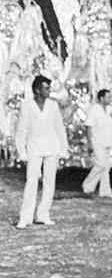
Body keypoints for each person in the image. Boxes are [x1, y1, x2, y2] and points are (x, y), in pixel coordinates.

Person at [14, 75, 68, 228]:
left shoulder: (53, 105)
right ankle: (25, 217)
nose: (49, 91)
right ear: (37, 90)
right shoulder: (27, 106)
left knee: (49, 182)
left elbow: (59, 128)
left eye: (49, 88)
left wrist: (64, 148)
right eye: (46, 88)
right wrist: (21, 151)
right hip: (34, 147)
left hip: (52, 147)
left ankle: (43, 214)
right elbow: (21, 130)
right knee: (31, 182)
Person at [82, 89, 112, 199]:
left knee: (106, 167)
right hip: (97, 142)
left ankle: (105, 191)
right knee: (100, 165)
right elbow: (88, 126)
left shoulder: (108, 110)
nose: (110, 99)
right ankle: (87, 187)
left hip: (107, 142)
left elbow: (111, 127)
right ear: (101, 98)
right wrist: (89, 143)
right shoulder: (94, 109)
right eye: (108, 97)